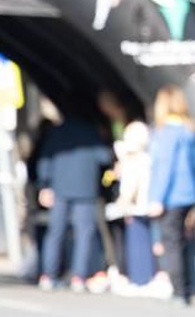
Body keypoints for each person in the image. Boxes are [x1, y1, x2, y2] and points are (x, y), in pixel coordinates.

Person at [35, 108, 114, 292]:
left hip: (60, 188)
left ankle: (48, 275)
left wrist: (44, 184)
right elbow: (104, 157)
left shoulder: (56, 132)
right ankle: (79, 277)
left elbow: (45, 158)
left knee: (56, 232)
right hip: (85, 189)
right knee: (84, 233)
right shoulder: (92, 131)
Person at [147, 85, 195, 306]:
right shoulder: (189, 130)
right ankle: (189, 287)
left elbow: (165, 167)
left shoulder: (166, 133)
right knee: (184, 241)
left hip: (171, 195)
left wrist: (157, 198)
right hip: (188, 192)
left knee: (171, 243)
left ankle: (179, 290)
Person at [114, 119, 159, 291]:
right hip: (148, 204)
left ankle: (140, 280)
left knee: (137, 243)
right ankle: (149, 277)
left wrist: (123, 201)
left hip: (135, 207)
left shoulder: (133, 160)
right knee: (148, 241)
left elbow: (130, 186)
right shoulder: (149, 157)